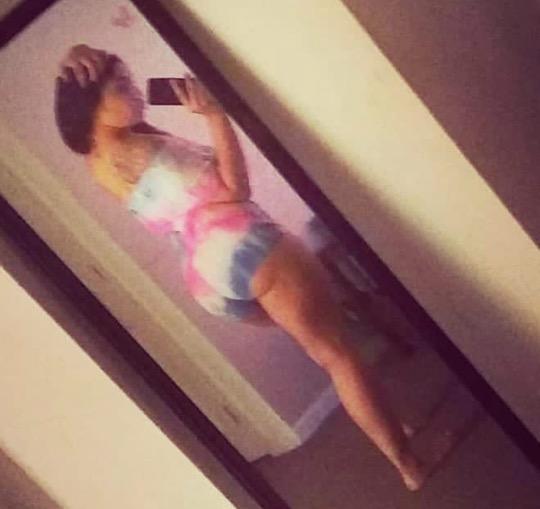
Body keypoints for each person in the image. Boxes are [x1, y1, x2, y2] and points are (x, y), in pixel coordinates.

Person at [55, 44, 434, 490]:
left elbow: (175, 206)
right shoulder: (145, 148)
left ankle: (390, 426)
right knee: (337, 353)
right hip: (246, 248)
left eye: (132, 81)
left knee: (326, 348)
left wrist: (78, 58)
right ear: (90, 106)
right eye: (122, 86)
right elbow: (235, 189)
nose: (137, 92)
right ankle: (408, 463)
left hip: (206, 276)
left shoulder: (98, 163)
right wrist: (216, 116)